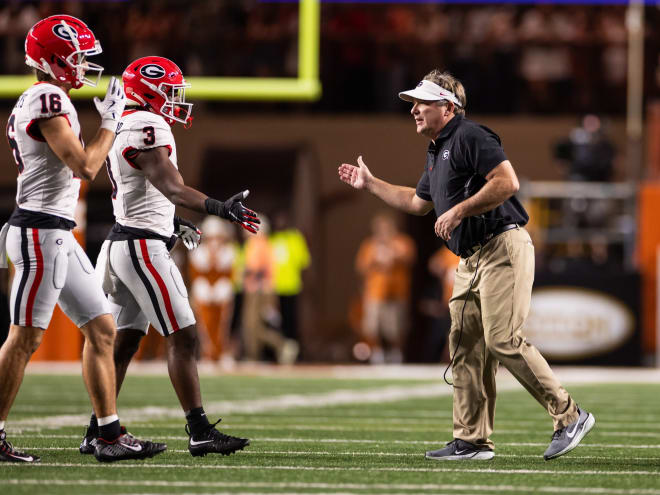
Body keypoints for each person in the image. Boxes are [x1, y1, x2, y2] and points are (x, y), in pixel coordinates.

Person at [338, 70, 595, 461]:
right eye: (413, 103)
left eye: (422, 102)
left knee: (502, 339)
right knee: (465, 347)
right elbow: (416, 203)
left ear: (448, 106)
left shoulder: (470, 135)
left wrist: (458, 210)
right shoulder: (438, 148)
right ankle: (472, 440)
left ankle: (569, 416)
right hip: (471, 257)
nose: (414, 110)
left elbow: (507, 182)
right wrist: (371, 184)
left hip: (502, 246)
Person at [0, 15, 166, 463]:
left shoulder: (46, 97)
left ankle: (108, 434)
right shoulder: (48, 97)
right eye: (75, 57)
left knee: (102, 329)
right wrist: (111, 123)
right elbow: (87, 166)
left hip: (56, 232)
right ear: (51, 60)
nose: (83, 64)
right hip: (39, 232)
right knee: (25, 338)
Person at [78, 56, 258, 458]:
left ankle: (97, 430)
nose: (176, 100)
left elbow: (144, 192)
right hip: (142, 248)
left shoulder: (125, 123)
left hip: (127, 241)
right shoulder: (148, 124)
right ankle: (199, 430)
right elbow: (173, 187)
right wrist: (219, 207)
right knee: (183, 335)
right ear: (150, 90)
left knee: (124, 344)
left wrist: (172, 222)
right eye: (170, 91)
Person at [355, 213, 415, 363]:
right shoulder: (370, 245)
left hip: (396, 293)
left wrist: (392, 252)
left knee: (395, 328)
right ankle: (377, 353)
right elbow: (361, 267)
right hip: (375, 293)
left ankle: (396, 353)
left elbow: (409, 259)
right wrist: (377, 257)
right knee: (372, 327)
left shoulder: (402, 242)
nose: (383, 231)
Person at [241, 215, 299, 364]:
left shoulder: (257, 243)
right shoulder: (263, 243)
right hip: (261, 289)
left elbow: (257, 269)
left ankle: (278, 346)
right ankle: (259, 353)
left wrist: (245, 272)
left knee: (252, 326)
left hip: (258, 290)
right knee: (255, 326)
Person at [188, 216, 238, 365]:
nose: (215, 241)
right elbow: (195, 275)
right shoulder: (197, 253)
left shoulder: (229, 252)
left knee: (222, 324)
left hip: (222, 293)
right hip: (203, 293)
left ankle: (221, 352)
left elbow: (230, 275)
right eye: (211, 238)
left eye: (218, 237)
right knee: (205, 324)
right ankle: (208, 354)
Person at [270, 211, 310, 343]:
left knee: (291, 319)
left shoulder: (295, 238)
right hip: (273, 288)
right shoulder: (271, 240)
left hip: (291, 286)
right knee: (273, 320)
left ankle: (293, 347)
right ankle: (276, 350)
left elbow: (304, 261)